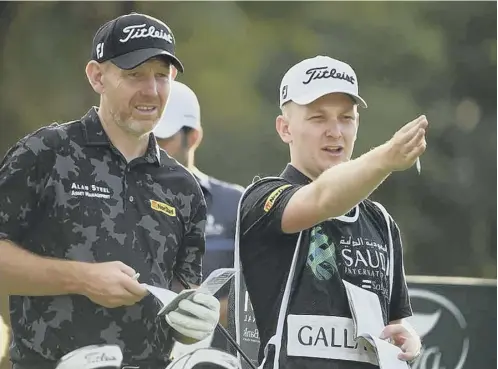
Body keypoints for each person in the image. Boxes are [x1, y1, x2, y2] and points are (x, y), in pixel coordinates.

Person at [0, 13, 220, 369]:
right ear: (97, 76)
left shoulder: (184, 187)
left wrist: (194, 318)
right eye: (135, 75)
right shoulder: (44, 153)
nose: (151, 91)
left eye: (161, 76)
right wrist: (82, 279)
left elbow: (180, 290)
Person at [235, 55, 425, 369]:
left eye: (345, 118)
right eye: (318, 118)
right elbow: (323, 198)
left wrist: (408, 338)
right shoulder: (265, 198)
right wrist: (386, 158)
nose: (335, 131)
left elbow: (395, 322)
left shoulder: (381, 222)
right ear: (285, 129)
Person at [153, 81, 244, 353]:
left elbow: (257, 291)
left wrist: (205, 314)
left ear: (192, 137)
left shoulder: (236, 204)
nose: (151, 148)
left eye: (162, 138)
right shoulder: (118, 203)